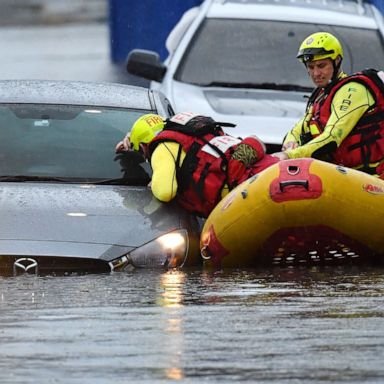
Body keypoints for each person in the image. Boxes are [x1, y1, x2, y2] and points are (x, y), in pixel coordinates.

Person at [115, 112, 279, 218]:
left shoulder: (161, 147)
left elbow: (165, 192)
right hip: (267, 170)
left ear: (144, 145)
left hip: (243, 193)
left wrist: (153, 184)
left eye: (142, 152)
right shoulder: (188, 134)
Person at [272, 31, 384, 178]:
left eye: (321, 65)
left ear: (336, 61)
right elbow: (298, 129)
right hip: (343, 175)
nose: (316, 73)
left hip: (372, 178)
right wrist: (290, 143)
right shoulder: (321, 94)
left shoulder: (353, 90)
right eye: (311, 67)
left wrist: (290, 155)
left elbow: (332, 137)